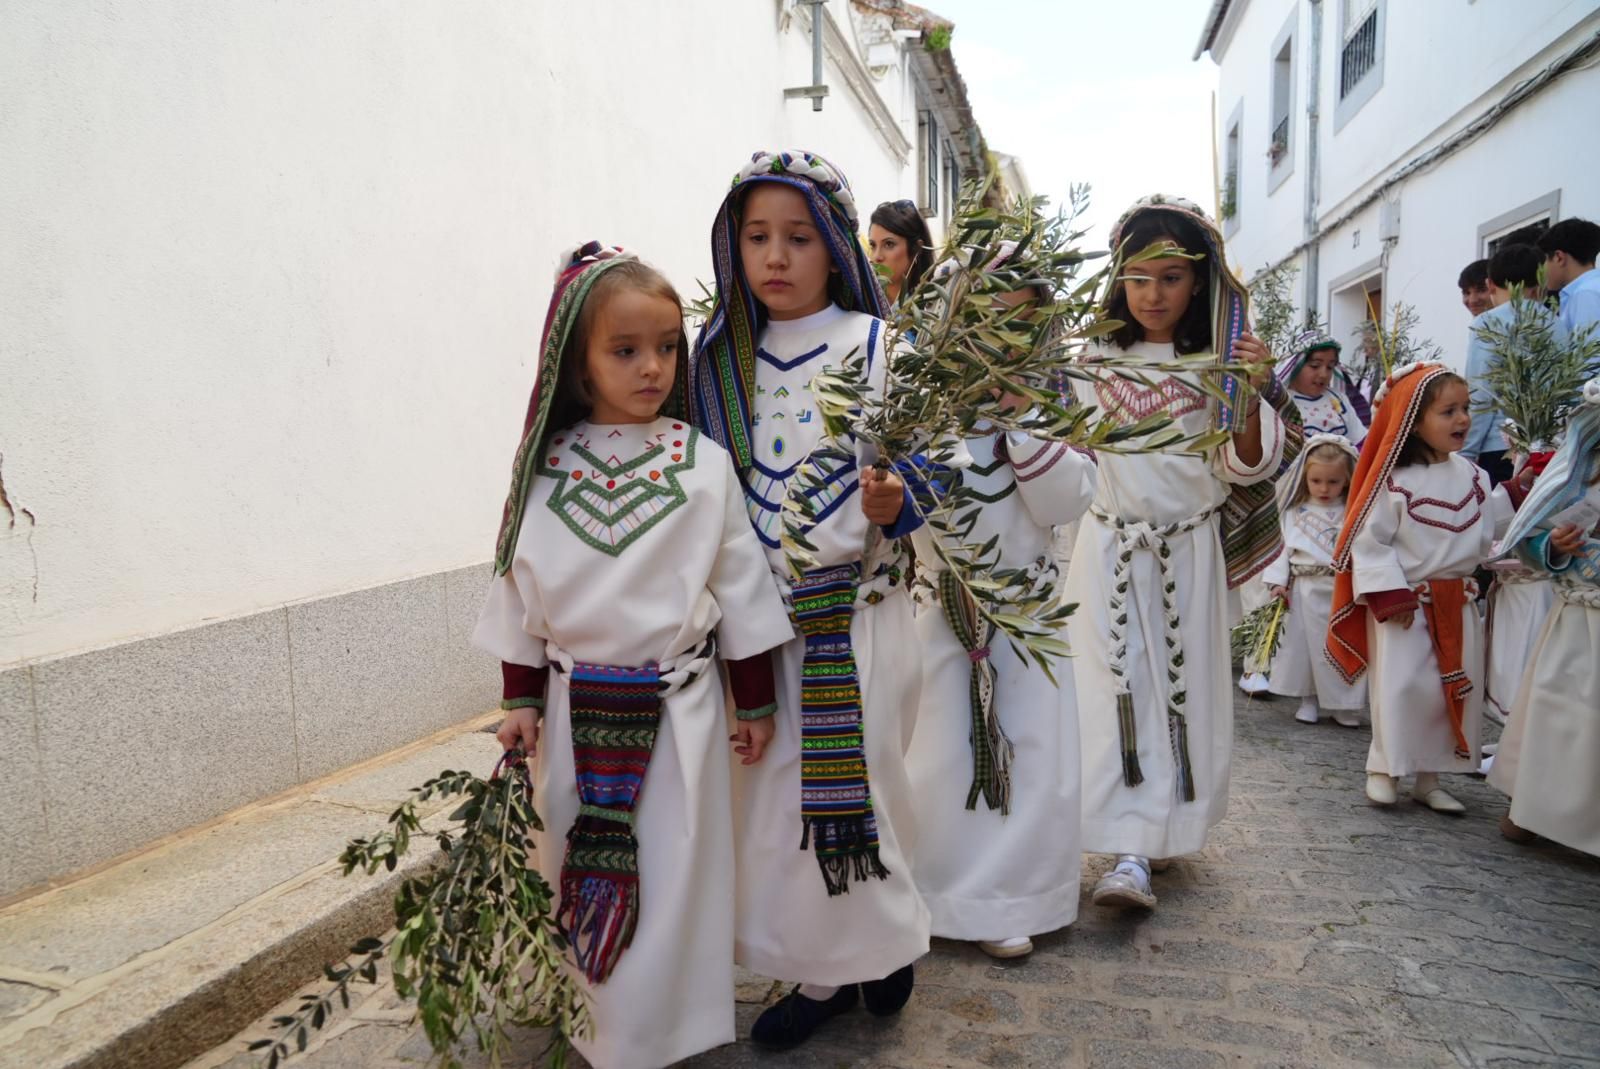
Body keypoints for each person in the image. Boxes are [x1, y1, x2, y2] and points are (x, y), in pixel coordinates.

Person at [473, 243, 795, 1069]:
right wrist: (519, 698)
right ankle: (596, 1022)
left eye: (666, 347)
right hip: (570, 717)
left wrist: (754, 699)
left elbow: (740, 587)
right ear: (578, 365)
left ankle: (663, 1029)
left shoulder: (704, 464)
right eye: (625, 349)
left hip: (682, 717)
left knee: (676, 867)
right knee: (569, 855)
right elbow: (518, 590)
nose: (652, 367)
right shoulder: (543, 470)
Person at [689, 149, 932, 1049]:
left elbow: (935, 458)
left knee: (868, 781)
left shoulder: (880, 347)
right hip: (760, 627)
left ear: (835, 245)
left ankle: (880, 936)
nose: (776, 256)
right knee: (779, 805)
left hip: (858, 618)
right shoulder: (718, 358)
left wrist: (899, 498)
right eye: (757, 236)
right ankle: (830, 968)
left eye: (797, 236)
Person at [1064, 194, 1287, 912]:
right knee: (1111, 688)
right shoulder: (1093, 361)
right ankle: (1126, 842)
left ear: (1199, 282)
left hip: (1186, 556)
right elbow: (1063, 454)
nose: (1152, 294)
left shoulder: (1218, 364)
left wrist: (1250, 393)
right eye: (1137, 277)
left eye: (1170, 278)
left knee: (1175, 694)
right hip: (1106, 551)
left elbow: (1245, 467)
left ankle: (1151, 836)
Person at [905, 254, 1098, 960]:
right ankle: (931, 893)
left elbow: (1066, 501)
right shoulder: (922, 415)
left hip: (1028, 620)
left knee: (1030, 753)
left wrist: (1023, 432)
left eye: (1019, 326)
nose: (1000, 343)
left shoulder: (1050, 411)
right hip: (943, 613)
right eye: (984, 322)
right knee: (938, 755)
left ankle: (1012, 897)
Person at [1327, 363, 1514, 814]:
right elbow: (1370, 542)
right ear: (1413, 420)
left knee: (1451, 689)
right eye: (1448, 411)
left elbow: (1487, 531)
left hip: (1458, 604)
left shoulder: (1475, 476)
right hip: (1406, 605)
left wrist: (1519, 492)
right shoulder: (1393, 481)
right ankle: (1384, 768)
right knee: (1402, 689)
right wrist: (1390, 594)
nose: (1463, 419)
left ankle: (1430, 778)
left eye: (1466, 408)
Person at [1489, 376, 1600, 853]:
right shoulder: (1577, 476)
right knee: (1557, 713)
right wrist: (1553, 545)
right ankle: (1529, 806)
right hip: (1575, 621)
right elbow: (1529, 538)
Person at [1261, 435, 1366, 726]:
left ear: (1347, 479)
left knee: (1341, 645)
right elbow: (1280, 549)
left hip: (1342, 590)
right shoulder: (1292, 512)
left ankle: (1344, 705)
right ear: (1304, 477)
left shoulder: (1354, 511)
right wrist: (1277, 582)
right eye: (1316, 481)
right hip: (1303, 591)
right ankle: (1308, 699)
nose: (1324, 488)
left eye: (1333, 482)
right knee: (1305, 649)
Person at [1463, 243, 1557, 485]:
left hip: (1499, 445)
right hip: (1548, 446)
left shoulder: (1488, 322)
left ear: (1491, 284)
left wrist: (1466, 453)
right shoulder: (1556, 322)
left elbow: (1481, 393)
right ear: (1540, 282)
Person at [1275, 331, 1367, 446]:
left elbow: (1360, 441)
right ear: (1295, 366)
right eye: (1315, 366)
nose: (1324, 374)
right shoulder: (1280, 403)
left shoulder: (1338, 399)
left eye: (1330, 367)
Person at [1537, 218, 1600, 336]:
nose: (1541, 270)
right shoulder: (1591, 288)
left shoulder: (1585, 295)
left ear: (1559, 257)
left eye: (1543, 261)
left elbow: (1592, 346)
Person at [868, 198, 936, 305]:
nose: (876, 257)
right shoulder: (862, 303)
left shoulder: (934, 304)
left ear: (916, 249)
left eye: (889, 244)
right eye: (873, 245)